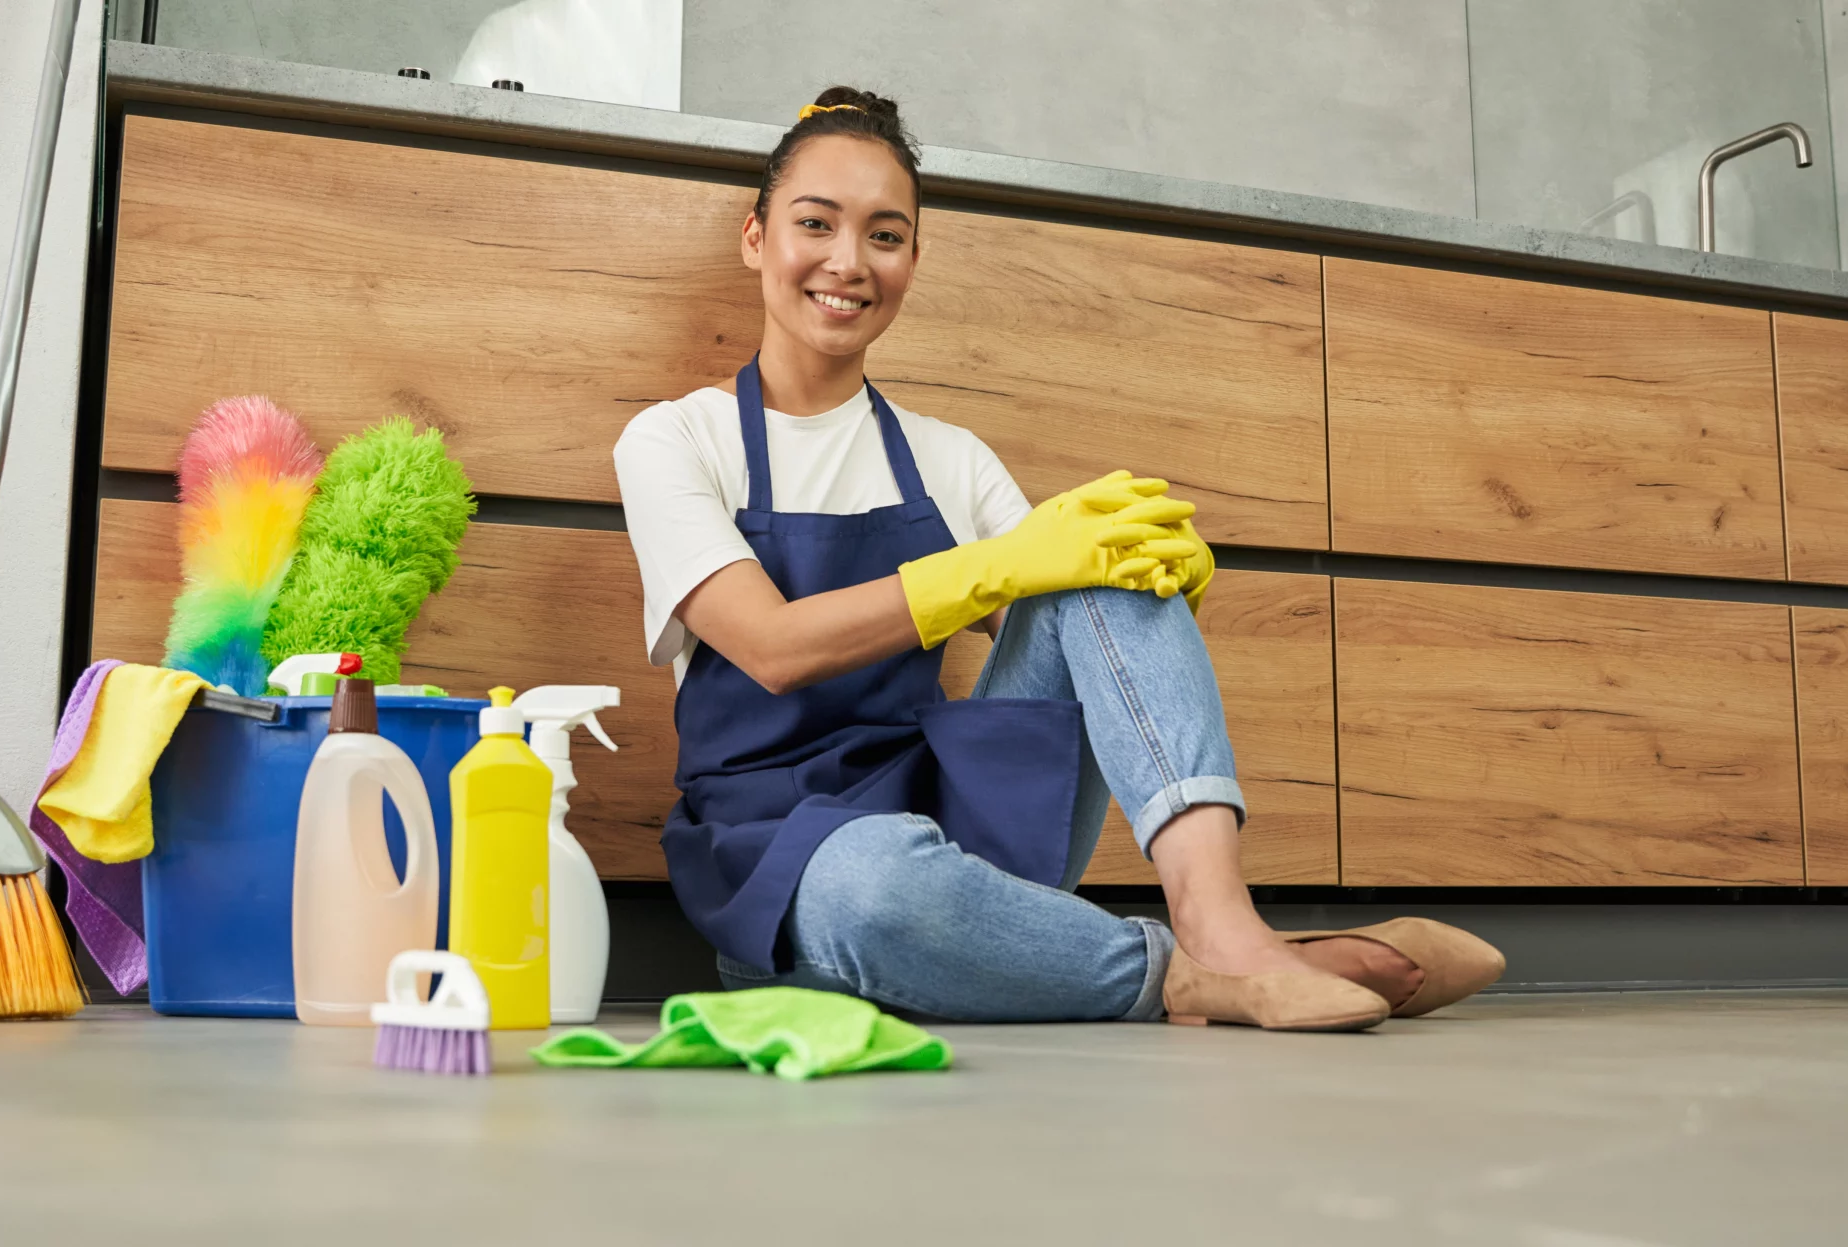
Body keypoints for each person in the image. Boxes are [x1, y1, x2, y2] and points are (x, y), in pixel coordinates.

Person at [613, 87, 1504, 1030]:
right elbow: (771, 645)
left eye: (885, 234)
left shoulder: (950, 458)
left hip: (960, 828)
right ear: (757, 238)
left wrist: (1156, 575)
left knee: (1102, 556)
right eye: (815, 224)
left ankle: (1221, 926)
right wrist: (996, 568)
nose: (848, 261)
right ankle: (1217, 970)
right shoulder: (676, 440)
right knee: (878, 889)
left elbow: (1092, 639)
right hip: (790, 868)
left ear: (914, 257)